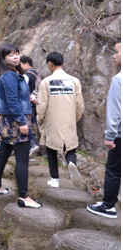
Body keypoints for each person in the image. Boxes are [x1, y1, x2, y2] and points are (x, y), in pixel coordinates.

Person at [0, 43, 41, 208]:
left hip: (8, 121)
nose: (15, 56)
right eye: (10, 54)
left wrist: (30, 99)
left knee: (3, 154)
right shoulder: (10, 76)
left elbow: (14, 98)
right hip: (16, 122)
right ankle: (24, 197)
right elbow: (12, 101)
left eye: (16, 53)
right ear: (3, 58)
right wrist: (21, 122)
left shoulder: (9, 74)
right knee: (22, 160)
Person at [37, 52, 85, 190]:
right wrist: (74, 118)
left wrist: (40, 120)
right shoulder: (74, 81)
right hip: (69, 119)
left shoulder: (46, 82)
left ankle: (55, 179)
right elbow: (80, 105)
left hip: (52, 121)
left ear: (50, 64)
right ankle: (71, 162)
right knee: (69, 147)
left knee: (51, 149)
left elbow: (42, 105)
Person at [87, 41, 121, 219]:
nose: (114, 56)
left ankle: (108, 205)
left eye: (116, 52)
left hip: (120, 135)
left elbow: (115, 112)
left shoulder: (119, 79)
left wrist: (110, 136)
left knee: (114, 170)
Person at [20, 55, 41, 157]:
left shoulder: (26, 75)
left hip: (27, 105)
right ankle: (32, 148)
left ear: (26, 64)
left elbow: (23, 91)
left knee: (25, 127)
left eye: (21, 64)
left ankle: (32, 146)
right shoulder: (37, 74)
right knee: (33, 127)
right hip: (36, 104)